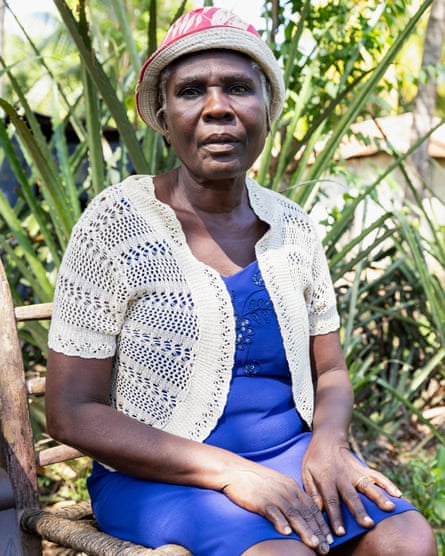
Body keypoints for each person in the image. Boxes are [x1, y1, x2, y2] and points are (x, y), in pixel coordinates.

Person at [46, 7, 437, 556]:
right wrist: (231, 473)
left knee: (408, 541)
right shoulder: (116, 225)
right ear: (164, 113)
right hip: (163, 477)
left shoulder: (293, 226)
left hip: (295, 457)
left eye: (237, 87)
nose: (216, 109)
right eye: (190, 91)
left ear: (266, 109)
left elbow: (331, 370)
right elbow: (71, 411)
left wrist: (328, 443)